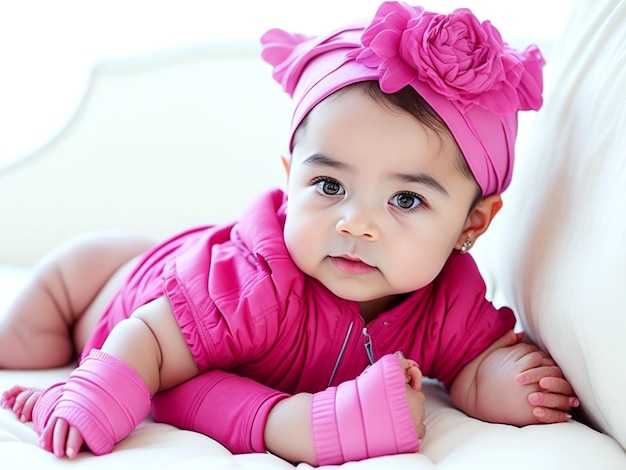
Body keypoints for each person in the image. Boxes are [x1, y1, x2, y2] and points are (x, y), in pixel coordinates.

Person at [0, 2, 579, 466]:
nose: (356, 222)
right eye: (329, 186)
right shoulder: (253, 283)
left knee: (198, 390)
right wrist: (94, 396)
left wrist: (512, 384)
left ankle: (301, 422)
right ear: (289, 177)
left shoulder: (446, 303)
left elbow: (473, 364)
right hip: (105, 282)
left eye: (406, 199)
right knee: (30, 345)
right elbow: (149, 341)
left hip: (209, 368)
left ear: (470, 224)